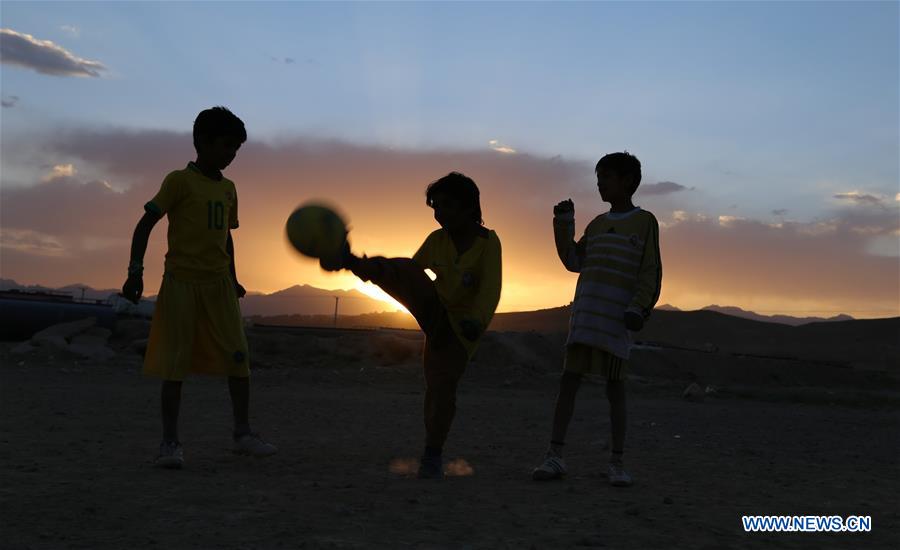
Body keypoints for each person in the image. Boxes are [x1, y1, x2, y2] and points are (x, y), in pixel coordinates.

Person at [122, 106, 277, 469]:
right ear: (202, 142)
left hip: (219, 285)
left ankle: (242, 434)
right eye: (226, 145)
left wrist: (234, 278)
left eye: (236, 148)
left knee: (238, 357)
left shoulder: (228, 189)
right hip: (181, 284)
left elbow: (226, 237)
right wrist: (135, 271)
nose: (231, 154)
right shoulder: (178, 181)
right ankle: (170, 443)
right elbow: (145, 224)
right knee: (175, 364)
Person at [321, 172, 502, 479]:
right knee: (406, 268)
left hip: (462, 331)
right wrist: (376, 270)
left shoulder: (488, 243)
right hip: (436, 313)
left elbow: (490, 290)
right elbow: (410, 276)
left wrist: (478, 320)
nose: (439, 213)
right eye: (435, 206)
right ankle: (351, 261)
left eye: (447, 205)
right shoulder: (437, 240)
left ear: (470, 207)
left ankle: (433, 455)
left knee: (441, 390)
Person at [532, 152, 661, 487]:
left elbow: (650, 270)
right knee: (568, 384)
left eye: (606, 177)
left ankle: (616, 463)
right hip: (586, 320)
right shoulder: (597, 225)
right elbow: (573, 261)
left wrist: (639, 308)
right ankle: (555, 456)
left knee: (615, 390)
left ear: (627, 181)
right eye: (598, 177)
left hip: (615, 324)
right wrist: (563, 223)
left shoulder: (645, 222)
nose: (599, 184)